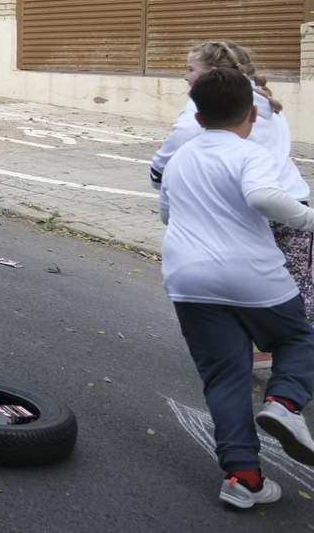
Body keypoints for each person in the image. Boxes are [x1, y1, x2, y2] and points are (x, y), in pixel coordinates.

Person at [159, 68, 314, 508]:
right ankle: (284, 402)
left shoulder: (179, 159)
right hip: (252, 274)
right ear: (252, 114)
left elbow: (167, 215)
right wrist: (308, 219)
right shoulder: (251, 153)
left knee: (225, 377)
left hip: (188, 279)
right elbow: (263, 197)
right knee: (299, 338)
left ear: (199, 118)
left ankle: (243, 478)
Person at [153, 41, 311, 325]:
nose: (186, 77)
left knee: (240, 285)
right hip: (292, 199)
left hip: (249, 205)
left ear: (212, 72)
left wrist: (159, 174)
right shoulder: (264, 98)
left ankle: (250, 339)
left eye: (190, 70)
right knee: (295, 289)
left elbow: (181, 139)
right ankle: (294, 341)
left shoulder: (207, 103)